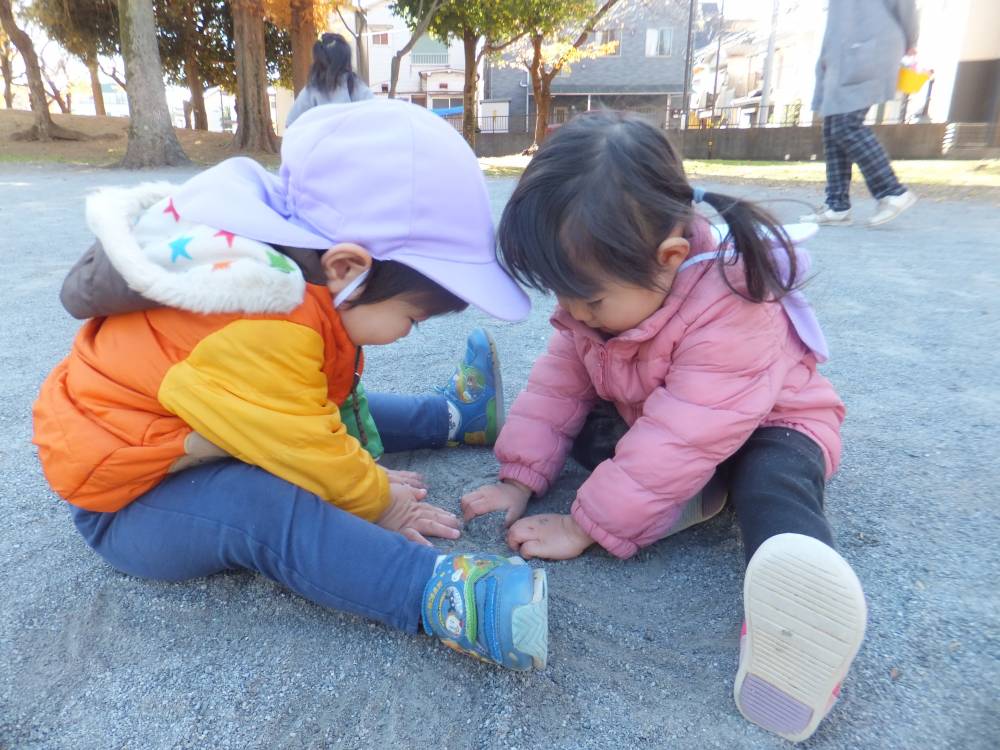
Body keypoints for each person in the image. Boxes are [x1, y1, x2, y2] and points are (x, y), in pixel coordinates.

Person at [32, 101, 548, 672]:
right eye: (412, 318)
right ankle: (442, 597)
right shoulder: (262, 322)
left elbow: (321, 405)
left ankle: (454, 420)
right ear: (349, 267)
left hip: (193, 440)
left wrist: (357, 457)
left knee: (314, 413)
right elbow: (305, 449)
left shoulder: (307, 279)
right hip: (127, 505)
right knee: (261, 504)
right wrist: (377, 498)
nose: (408, 333)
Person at [461, 111, 867, 740]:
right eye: (562, 296)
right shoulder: (600, 302)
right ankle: (694, 495)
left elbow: (685, 433)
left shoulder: (734, 305)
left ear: (669, 257)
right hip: (664, 418)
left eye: (589, 300)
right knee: (589, 433)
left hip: (773, 422)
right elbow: (555, 388)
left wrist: (584, 523)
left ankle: (798, 601)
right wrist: (520, 475)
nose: (573, 314)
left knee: (775, 483)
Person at [804, 0, 920, 227]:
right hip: (843, 55)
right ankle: (837, 205)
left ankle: (892, 191)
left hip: (872, 47)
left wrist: (912, 40)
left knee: (847, 125)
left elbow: (905, 5)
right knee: (833, 127)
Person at [285, 32, 373, 128]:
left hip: (323, 141)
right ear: (346, 60)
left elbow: (291, 124)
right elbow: (374, 112)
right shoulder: (355, 86)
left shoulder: (311, 90)